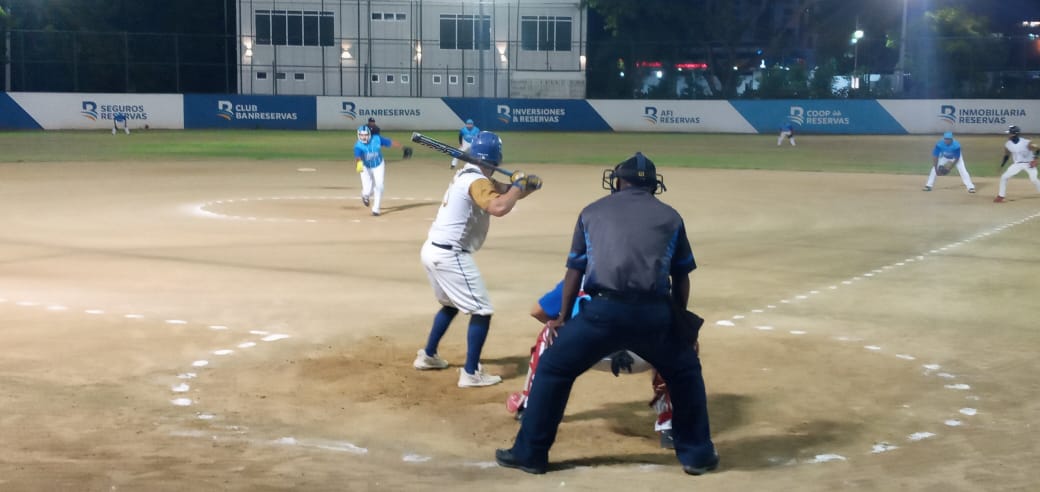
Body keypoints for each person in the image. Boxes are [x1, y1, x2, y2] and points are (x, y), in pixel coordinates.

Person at [496, 152, 717, 475]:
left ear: (618, 181)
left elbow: (575, 270)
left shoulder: (592, 211)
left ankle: (530, 454)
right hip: (653, 315)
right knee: (685, 372)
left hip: (602, 313)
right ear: (653, 185)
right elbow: (681, 276)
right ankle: (697, 456)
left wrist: (563, 318)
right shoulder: (671, 217)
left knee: (554, 368)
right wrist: (679, 321)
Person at [415, 131, 541, 387]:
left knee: (451, 304)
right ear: (495, 159)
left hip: (433, 250)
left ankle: (428, 356)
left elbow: (505, 193)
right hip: (451, 255)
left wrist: (525, 186)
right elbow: (499, 207)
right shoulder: (477, 182)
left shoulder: (471, 176)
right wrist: (518, 186)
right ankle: (471, 373)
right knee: (482, 311)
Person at [506, 278, 678, 449]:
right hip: (639, 357)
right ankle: (669, 425)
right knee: (676, 342)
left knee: (549, 332)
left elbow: (538, 311)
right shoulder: (654, 277)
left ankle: (530, 407)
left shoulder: (581, 278)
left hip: (587, 350)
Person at [354, 124, 406, 216]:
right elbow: (358, 158)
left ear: (369, 134)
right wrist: (359, 166)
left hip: (378, 165)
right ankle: (365, 195)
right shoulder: (358, 146)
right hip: (366, 167)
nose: (364, 137)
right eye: (361, 135)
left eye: (365, 135)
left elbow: (390, 142)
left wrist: (403, 148)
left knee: (379, 185)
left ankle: (376, 209)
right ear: (358, 135)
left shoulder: (377, 139)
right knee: (368, 190)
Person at [995, 125, 1040, 203]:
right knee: (1004, 177)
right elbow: (1007, 155)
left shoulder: (1026, 142)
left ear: (1014, 134)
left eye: (1009, 133)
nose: (1008, 135)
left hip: (1029, 164)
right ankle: (1001, 196)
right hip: (1017, 164)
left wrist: (1035, 159)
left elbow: (1038, 149)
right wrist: (1002, 165)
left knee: (1034, 179)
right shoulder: (1008, 144)